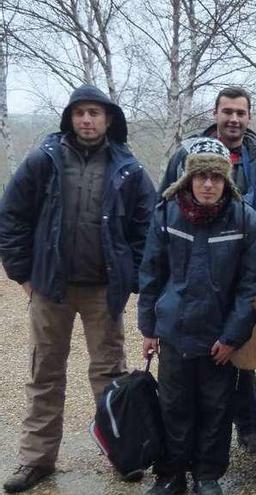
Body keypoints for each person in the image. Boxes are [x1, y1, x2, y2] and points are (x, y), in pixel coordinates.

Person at [0, 84, 156, 493]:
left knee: (109, 377)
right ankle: (36, 461)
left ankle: (122, 453)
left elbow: (148, 228)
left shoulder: (129, 168)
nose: (87, 120)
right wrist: (23, 273)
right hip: (51, 287)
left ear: (108, 119)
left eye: (95, 113)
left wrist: (132, 275)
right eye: (80, 113)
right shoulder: (43, 161)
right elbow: (12, 216)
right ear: (70, 118)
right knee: (44, 375)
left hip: (104, 291)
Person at [138, 137, 256, 495]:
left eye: (216, 177)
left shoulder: (246, 220)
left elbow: (250, 287)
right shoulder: (166, 213)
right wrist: (148, 327)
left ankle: (207, 475)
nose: (208, 184)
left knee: (216, 408)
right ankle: (171, 474)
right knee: (173, 407)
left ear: (227, 180)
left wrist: (231, 337)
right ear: (187, 179)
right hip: (174, 332)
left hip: (219, 338)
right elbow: (151, 273)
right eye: (201, 176)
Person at [159, 86, 256, 454]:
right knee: (202, 355)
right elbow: (166, 203)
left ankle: (249, 428)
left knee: (240, 344)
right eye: (227, 111)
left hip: (247, 261)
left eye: (240, 112)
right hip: (202, 261)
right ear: (215, 113)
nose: (233, 118)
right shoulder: (189, 153)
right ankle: (198, 440)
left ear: (249, 117)